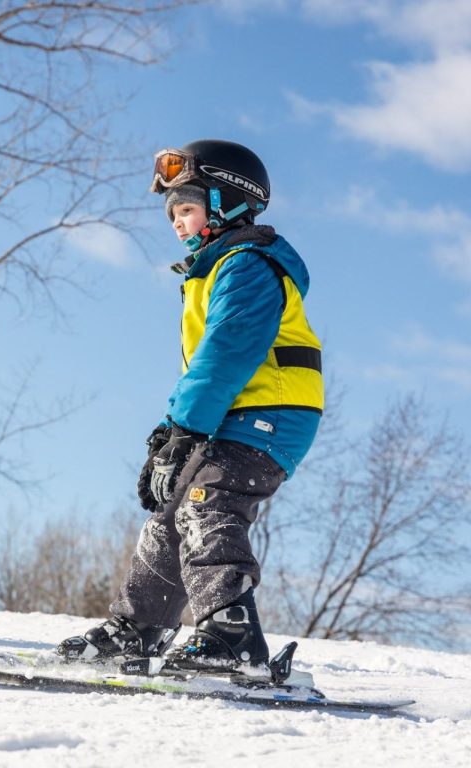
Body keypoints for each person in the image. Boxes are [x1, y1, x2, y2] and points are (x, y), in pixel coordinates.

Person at [58, 139, 323, 676]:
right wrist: (167, 436)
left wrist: (186, 429)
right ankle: (140, 629)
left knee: (207, 503)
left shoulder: (249, 264)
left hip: (270, 415)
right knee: (169, 516)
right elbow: (199, 372)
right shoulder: (209, 271)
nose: (176, 223)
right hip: (229, 416)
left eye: (186, 208)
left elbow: (226, 353)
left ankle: (231, 636)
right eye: (172, 213)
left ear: (227, 201)